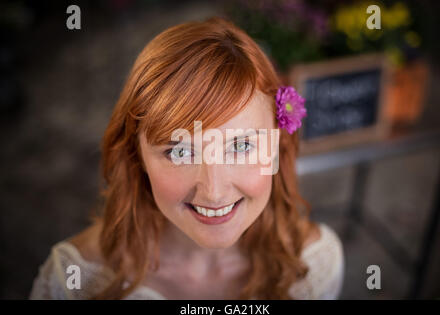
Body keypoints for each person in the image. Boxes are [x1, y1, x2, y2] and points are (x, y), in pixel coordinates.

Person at [29, 16, 344, 300]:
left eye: (242, 146)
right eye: (180, 152)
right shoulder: (72, 283)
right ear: (136, 156)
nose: (214, 191)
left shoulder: (315, 266)